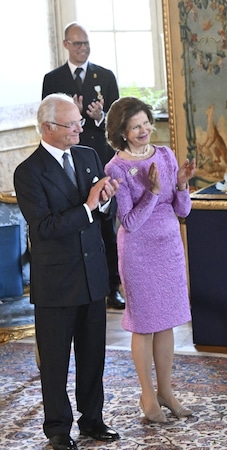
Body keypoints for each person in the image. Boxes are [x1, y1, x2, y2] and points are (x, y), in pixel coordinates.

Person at [14, 93, 121, 450]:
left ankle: (93, 420)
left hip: (92, 276)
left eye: (78, 120)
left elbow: (101, 209)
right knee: (56, 362)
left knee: (93, 357)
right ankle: (58, 428)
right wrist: (90, 207)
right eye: (71, 123)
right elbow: (43, 228)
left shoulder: (88, 155)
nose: (80, 127)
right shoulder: (28, 172)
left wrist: (105, 201)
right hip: (57, 282)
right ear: (48, 128)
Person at [104, 97, 196, 423]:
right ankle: (148, 396)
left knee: (166, 321)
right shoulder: (116, 168)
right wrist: (153, 191)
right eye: (135, 126)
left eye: (146, 123)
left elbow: (182, 210)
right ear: (122, 132)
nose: (144, 130)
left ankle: (166, 391)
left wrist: (182, 184)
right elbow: (129, 222)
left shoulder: (167, 155)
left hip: (169, 248)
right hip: (139, 254)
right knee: (144, 327)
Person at [42, 22, 124, 310]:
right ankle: (79, 284)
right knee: (74, 219)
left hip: (96, 159)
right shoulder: (53, 79)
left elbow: (117, 122)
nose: (83, 48)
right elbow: (48, 123)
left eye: (86, 43)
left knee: (106, 225)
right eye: (77, 44)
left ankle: (112, 287)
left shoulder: (106, 75)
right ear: (66, 45)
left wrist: (99, 117)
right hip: (64, 162)